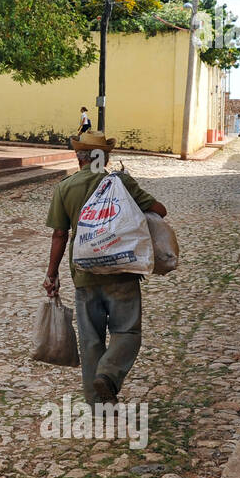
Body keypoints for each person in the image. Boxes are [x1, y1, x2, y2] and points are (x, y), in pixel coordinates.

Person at [44, 130, 168, 405]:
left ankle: (96, 403)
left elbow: (59, 235)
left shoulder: (65, 187)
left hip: (84, 274)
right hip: (122, 271)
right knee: (127, 332)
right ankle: (109, 374)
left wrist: (51, 275)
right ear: (105, 157)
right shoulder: (120, 182)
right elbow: (159, 210)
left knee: (90, 339)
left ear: (79, 158)